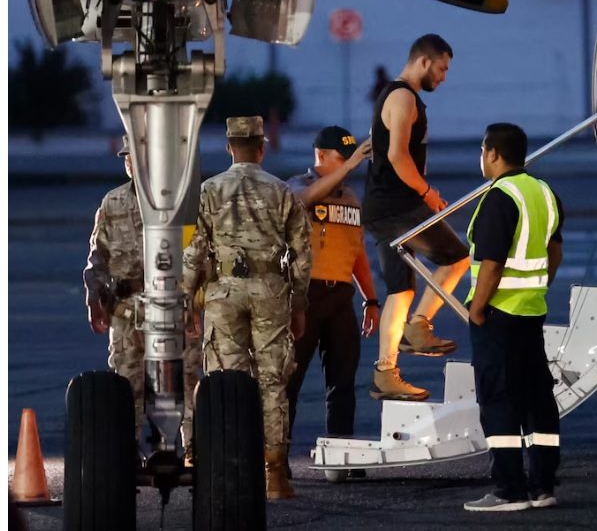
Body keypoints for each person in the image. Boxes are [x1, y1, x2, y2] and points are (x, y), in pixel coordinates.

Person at [182, 116, 312, 499]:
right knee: (273, 382)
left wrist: (189, 299)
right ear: (262, 146)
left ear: (228, 147)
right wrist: (299, 301)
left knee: (225, 382)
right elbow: (303, 251)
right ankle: (275, 474)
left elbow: (193, 250)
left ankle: (232, 466)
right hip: (270, 289)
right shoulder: (282, 191)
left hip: (223, 292)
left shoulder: (208, 191)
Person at [362, 34, 471, 401]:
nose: (443, 77)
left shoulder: (394, 96)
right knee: (457, 257)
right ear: (424, 61)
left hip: (383, 207)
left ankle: (386, 373)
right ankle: (418, 328)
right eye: (441, 68)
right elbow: (396, 156)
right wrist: (427, 193)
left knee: (400, 290)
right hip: (398, 207)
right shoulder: (404, 97)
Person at [463, 123, 564, 512]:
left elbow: (492, 262)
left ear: (492, 153)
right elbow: (555, 251)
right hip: (531, 311)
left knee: (499, 399)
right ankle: (542, 485)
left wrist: (476, 308)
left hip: (498, 314)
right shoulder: (544, 193)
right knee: (538, 397)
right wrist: (538, 286)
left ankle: (508, 489)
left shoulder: (499, 197)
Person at [83, 135, 201, 462]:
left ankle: (194, 448)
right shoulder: (113, 203)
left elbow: (200, 253)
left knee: (187, 380)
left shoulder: (181, 201)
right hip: (126, 309)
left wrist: (195, 302)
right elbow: (98, 257)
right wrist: (94, 295)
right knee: (126, 382)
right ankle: (125, 453)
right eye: (128, 158)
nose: (131, 164)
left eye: (139, 157)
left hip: (173, 303)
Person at [284, 126, 379, 469]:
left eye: (352, 158)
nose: (350, 165)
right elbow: (303, 202)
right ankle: (276, 458)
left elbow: (357, 253)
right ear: (321, 156)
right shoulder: (297, 185)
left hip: (341, 296)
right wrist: (350, 166)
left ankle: (340, 456)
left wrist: (371, 299)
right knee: (288, 381)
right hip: (305, 295)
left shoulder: (350, 197)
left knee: (342, 382)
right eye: (342, 157)